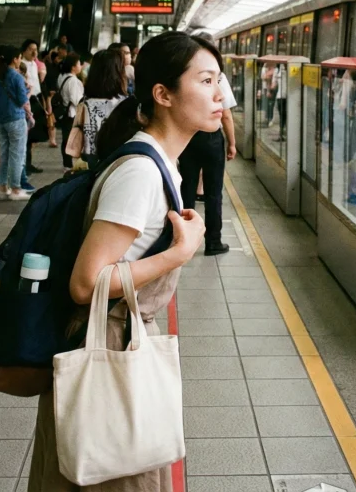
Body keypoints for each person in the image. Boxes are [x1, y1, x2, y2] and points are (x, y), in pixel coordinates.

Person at [28, 31, 217, 492]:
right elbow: (85, 283)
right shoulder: (140, 173)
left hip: (121, 335)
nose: (220, 94)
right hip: (107, 343)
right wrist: (179, 252)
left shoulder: (160, 164)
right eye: (207, 80)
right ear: (163, 94)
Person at [177, 38, 239, 256]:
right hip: (212, 140)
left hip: (190, 137)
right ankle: (213, 242)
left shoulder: (189, 74)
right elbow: (227, 115)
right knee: (213, 193)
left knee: (187, 188)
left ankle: (183, 240)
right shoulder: (219, 77)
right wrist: (231, 143)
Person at [70, 48, 127, 166]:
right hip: (119, 161)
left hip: (89, 162)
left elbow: (76, 139)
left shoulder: (84, 104)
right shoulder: (127, 104)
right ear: (118, 73)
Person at [0, 45, 30, 200]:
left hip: (1, 119)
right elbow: (22, 101)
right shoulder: (17, 77)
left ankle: (2, 187)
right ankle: (16, 188)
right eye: (19, 57)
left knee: (4, 153)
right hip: (16, 118)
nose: (20, 60)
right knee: (17, 154)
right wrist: (27, 89)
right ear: (15, 59)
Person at [21, 38, 48, 178]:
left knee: (33, 136)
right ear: (24, 50)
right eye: (31, 49)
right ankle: (24, 165)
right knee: (26, 136)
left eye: (36, 49)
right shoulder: (22, 64)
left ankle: (29, 163)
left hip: (36, 99)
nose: (34, 52)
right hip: (27, 100)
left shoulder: (33, 64)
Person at [54, 53, 84, 170]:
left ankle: (66, 163)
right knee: (72, 140)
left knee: (66, 138)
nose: (80, 66)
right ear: (73, 67)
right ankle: (70, 164)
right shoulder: (73, 81)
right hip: (71, 113)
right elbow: (77, 100)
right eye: (79, 64)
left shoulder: (62, 77)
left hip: (64, 112)